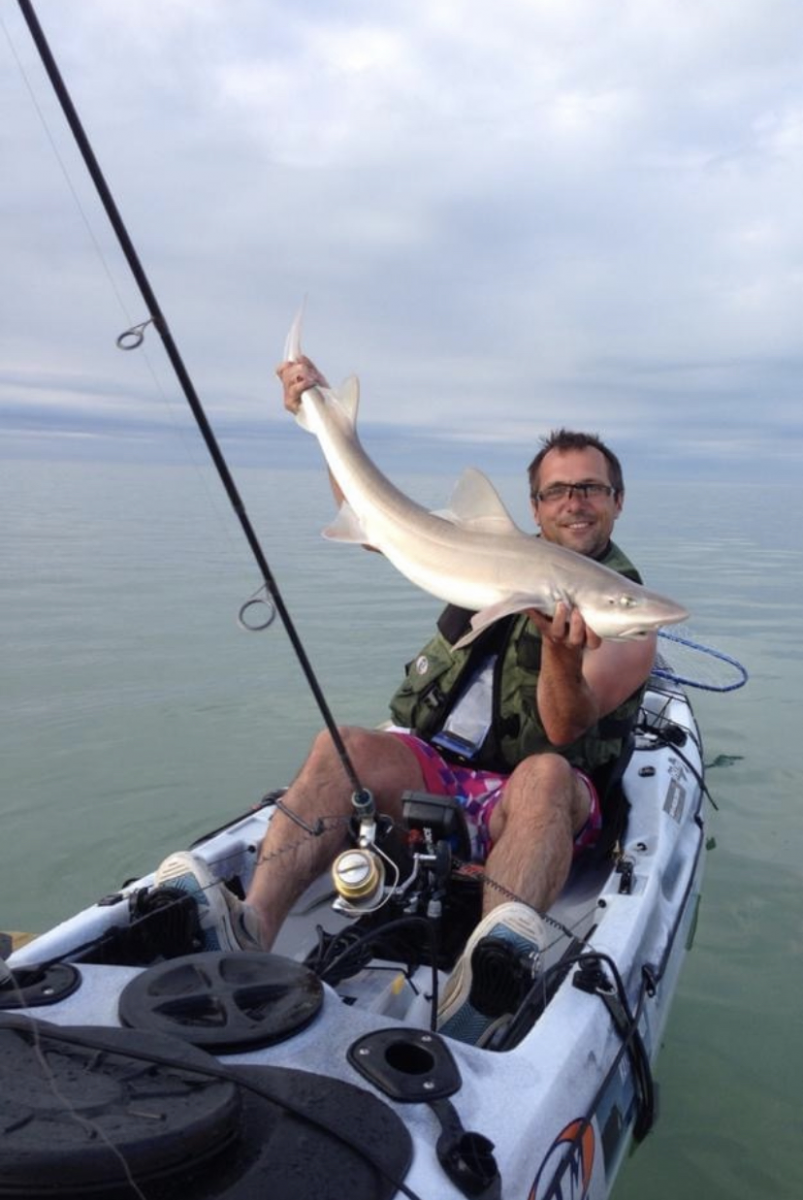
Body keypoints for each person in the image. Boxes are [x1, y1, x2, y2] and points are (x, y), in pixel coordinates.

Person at [156, 357, 656, 1047]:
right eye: (557, 491)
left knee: (543, 772)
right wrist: (323, 423)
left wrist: (562, 653)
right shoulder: (487, 554)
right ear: (535, 506)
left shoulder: (627, 613)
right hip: (440, 772)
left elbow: (564, 728)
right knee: (342, 747)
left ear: (617, 501)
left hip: (538, 800)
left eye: (592, 488)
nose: (575, 502)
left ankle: (486, 977)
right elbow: (384, 521)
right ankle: (250, 927)